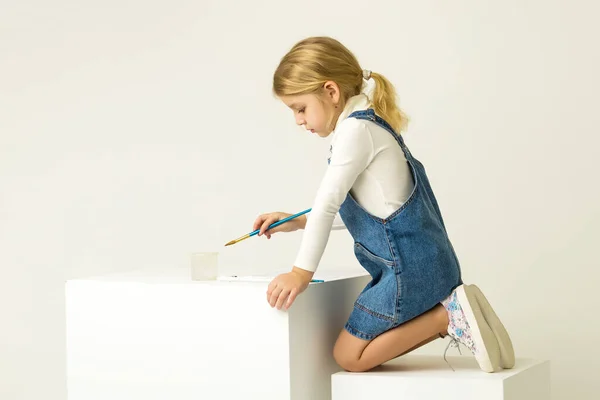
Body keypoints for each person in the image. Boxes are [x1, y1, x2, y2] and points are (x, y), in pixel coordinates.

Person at [252, 36, 514, 373]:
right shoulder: (368, 124)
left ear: (331, 92)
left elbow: (327, 204)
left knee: (349, 357)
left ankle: (448, 316)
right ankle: (448, 317)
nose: (299, 120)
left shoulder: (354, 132)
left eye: (300, 108)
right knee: (362, 352)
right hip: (424, 261)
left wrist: (300, 273)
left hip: (406, 269)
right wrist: (300, 221)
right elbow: (375, 214)